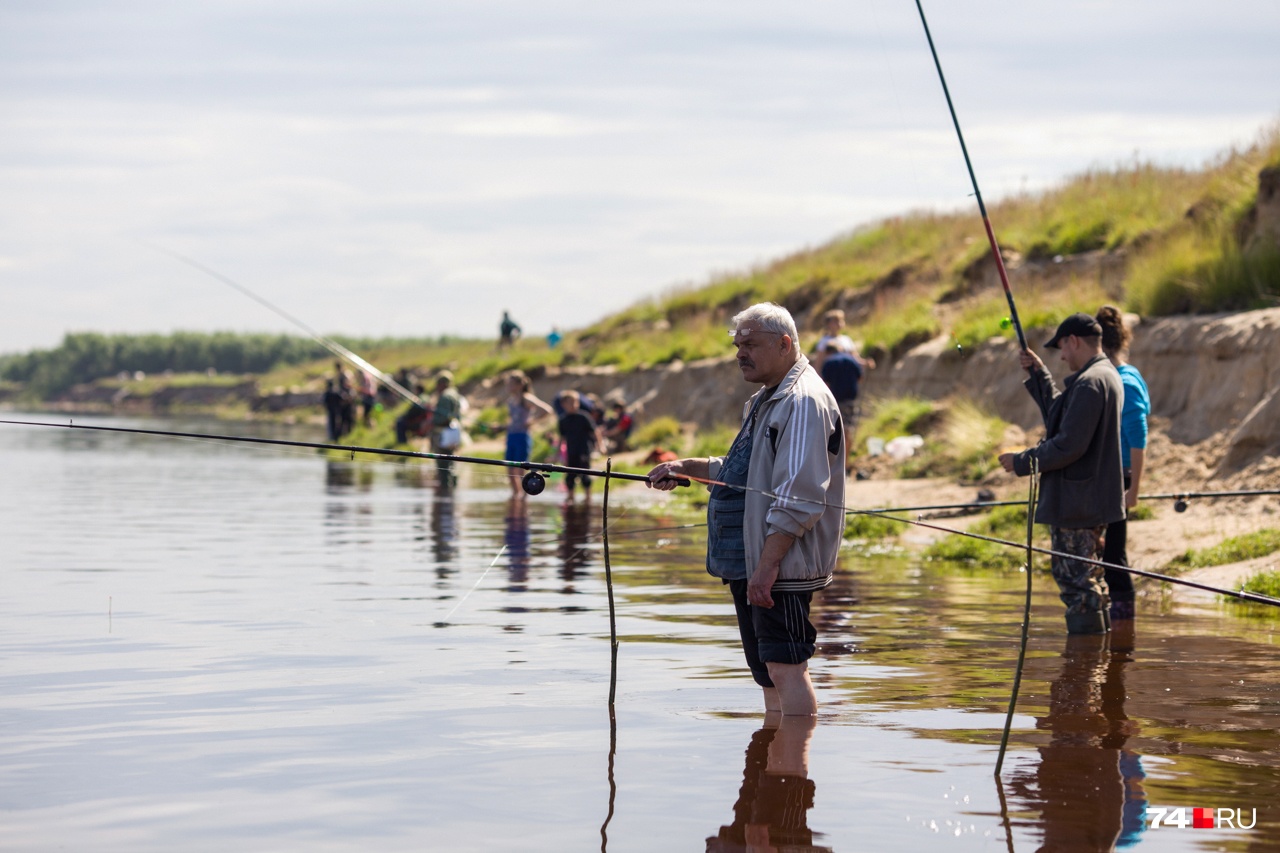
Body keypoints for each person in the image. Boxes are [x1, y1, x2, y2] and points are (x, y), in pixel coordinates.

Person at [647, 302, 845, 716]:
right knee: (767, 671)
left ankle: (792, 774)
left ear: (784, 344)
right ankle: (772, 766)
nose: (740, 353)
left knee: (786, 668)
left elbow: (800, 494)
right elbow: (745, 474)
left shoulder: (802, 400)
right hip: (755, 559)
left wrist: (768, 566)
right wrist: (686, 467)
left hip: (781, 564)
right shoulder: (765, 399)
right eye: (738, 345)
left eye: (751, 344)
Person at [999, 313, 1125, 635]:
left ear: (1073, 340)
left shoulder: (1089, 383)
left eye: (1062, 349)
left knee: (1077, 586)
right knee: (1090, 584)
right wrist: (1039, 374)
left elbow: (1069, 444)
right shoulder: (1104, 375)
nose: (1063, 356)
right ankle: (1098, 671)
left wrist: (1022, 461)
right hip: (1090, 501)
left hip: (1077, 505)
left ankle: (1084, 675)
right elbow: (1063, 417)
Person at [1096, 306, 1150, 622]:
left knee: (1115, 555)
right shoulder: (1123, 375)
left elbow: (1138, 440)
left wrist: (1134, 491)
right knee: (1110, 551)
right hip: (1111, 475)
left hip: (1121, 477)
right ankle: (1117, 620)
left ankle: (1123, 622)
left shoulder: (1125, 382)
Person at [503, 370, 555, 498]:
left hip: (522, 436)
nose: (509, 387)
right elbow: (513, 419)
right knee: (509, 467)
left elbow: (547, 410)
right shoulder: (511, 400)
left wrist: (532, 421)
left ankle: (524, 495)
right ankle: (516, 495)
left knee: (521, 468)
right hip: (511, 436)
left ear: (520, 384)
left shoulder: (526, 397)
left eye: (511, 384)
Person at [818, 342, 863, 472]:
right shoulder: (852, 360)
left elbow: (825, 384)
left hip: (834, 402)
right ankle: (845, 464)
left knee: (831, 432)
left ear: (827, 352)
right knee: (848, 430)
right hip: (850, 400)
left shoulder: (829, 362)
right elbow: (860, 378)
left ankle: (831, 465)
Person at [557, 390, 602, 500]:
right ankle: (570, 497)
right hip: (571, 451)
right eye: (570, 402)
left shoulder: (583, 417)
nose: (573, 405)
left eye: (575, 402)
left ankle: (588, 498)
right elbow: (562, 438)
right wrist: (557, 453)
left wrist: (600, 446)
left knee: (585, 476)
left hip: (584, 450)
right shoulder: (563, 420)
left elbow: (595, 431)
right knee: (570, 476)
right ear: (563, 405)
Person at [810, 308, 875, 375]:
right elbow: (818, 363)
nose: (839, 323)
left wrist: (866, 363)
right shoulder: (824, 341)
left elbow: (855, 359)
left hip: (846, 374)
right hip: (832, 375)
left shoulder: (847, 340)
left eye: (840, 321)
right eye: (836, 321)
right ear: (828, 324)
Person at [429, 371, 465, 486]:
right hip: (454, 432)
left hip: (443, 433)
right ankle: (452, 489)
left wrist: (431, 422)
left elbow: (443, 417)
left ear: (442, 384)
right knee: (450, 461)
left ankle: (445, 488)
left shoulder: (445, 396)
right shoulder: (454, 393)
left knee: (442, 464)